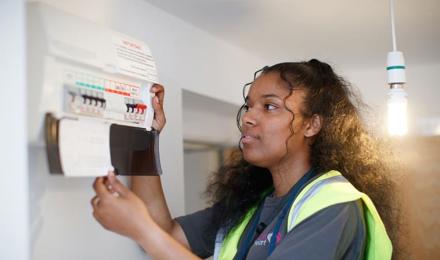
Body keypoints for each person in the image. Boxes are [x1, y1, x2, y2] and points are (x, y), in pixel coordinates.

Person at [91, 59, 397, 259]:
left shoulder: (334, 205)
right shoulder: (252, 206)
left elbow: (151, 233)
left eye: (270, 106)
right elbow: (165, 234)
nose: (248, 118)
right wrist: (146, 137)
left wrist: (140, 228)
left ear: (311, 124)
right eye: (249, 106)